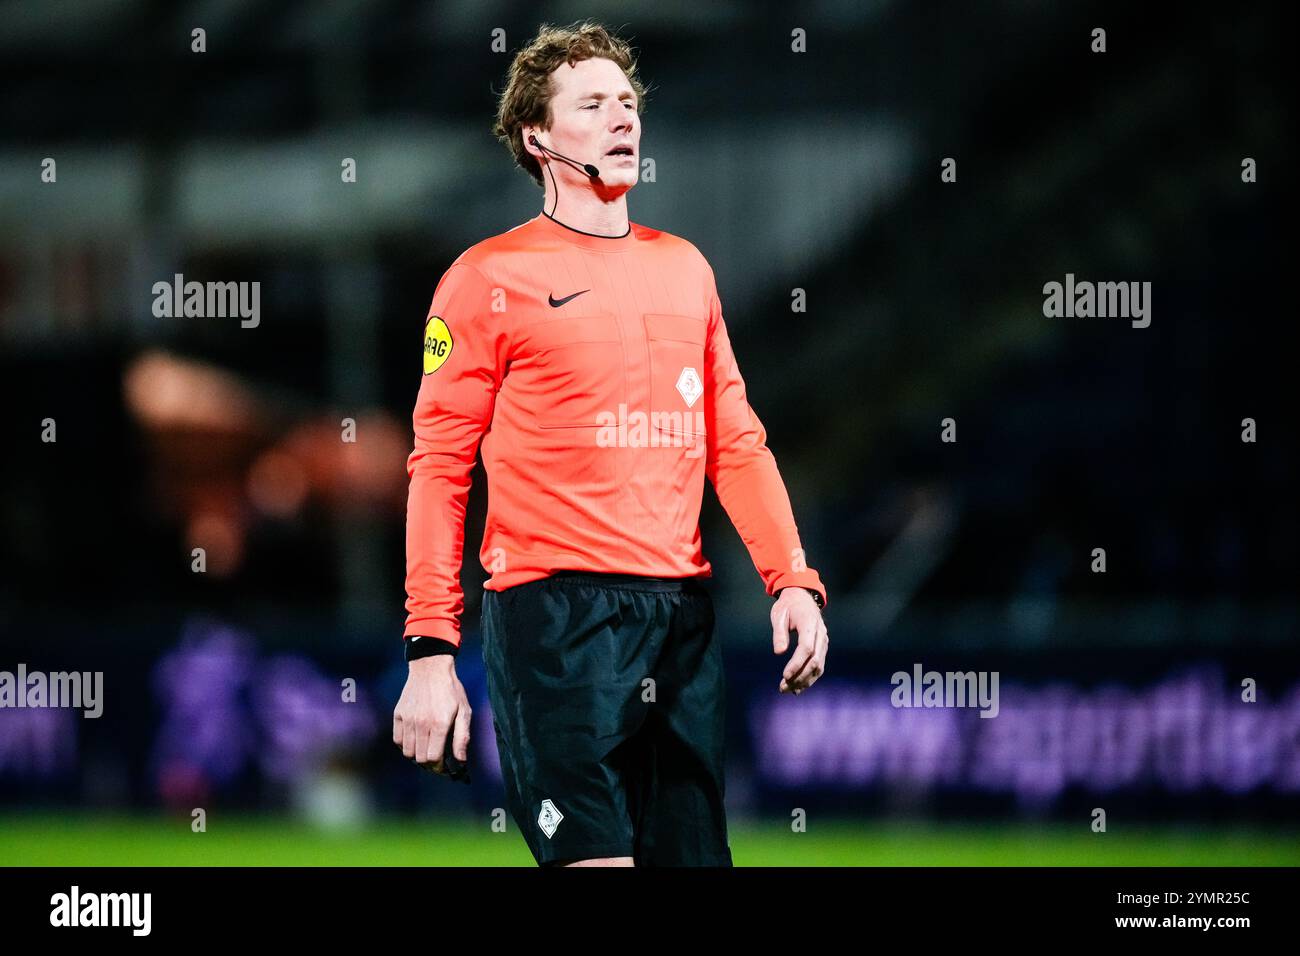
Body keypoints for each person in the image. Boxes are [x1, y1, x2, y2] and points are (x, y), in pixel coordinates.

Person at [392, 20, 828, 867]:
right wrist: (430, 652)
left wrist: (791, 578)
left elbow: (734, 440)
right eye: (591, 105)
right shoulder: (486, 279)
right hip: (554, 622)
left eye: (627, 102)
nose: (622, 117)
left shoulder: (686, 269)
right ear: (538, 137)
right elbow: (438, 469)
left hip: (680, 619)